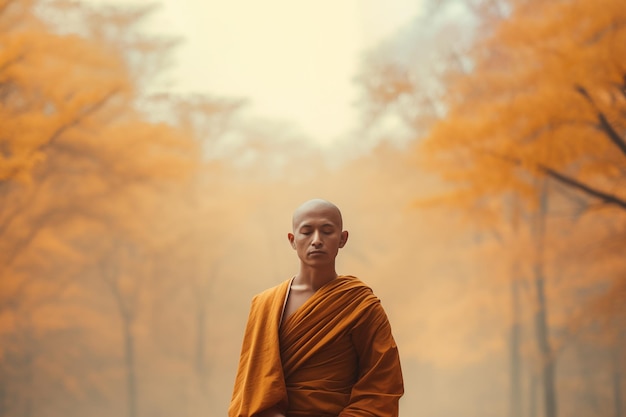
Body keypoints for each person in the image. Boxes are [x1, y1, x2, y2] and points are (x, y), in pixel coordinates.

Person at [228, 198, 404, 417]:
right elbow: (252, 388)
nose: (317, 240)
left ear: (343, 238)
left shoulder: (360, 304)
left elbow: (381, 385)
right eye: (307, 232)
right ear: (292, 240)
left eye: (327, 231)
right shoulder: (265, 305)